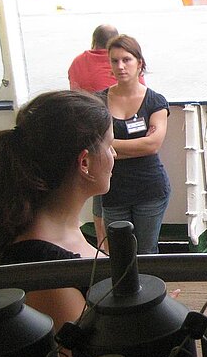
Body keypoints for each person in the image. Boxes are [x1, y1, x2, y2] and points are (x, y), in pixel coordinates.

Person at [0, 90, 114, 337]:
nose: (114, 156)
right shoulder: (45, 270)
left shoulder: (62, 230)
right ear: (84, 163)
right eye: (110, 146)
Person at [100, 34, 171, 255]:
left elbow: (152, 146)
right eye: (115, 61)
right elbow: (95, 148)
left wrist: (111, 146)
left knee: (147, 252)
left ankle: (154, 290)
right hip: (113, 191)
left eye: (126, 59)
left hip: (149, 188)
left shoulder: (155, 101)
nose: (120, 66)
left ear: (139, 63)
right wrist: (135, 146)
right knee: (120, 253)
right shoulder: (98, 102)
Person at [68, 24, 126, 250]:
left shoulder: (78, 63)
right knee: (106, 191)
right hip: (108, 137)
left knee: (98, 195)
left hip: (87, 139)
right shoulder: (123, 61)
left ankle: (102, 248)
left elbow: (73, 98)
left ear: (93, 42)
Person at [68, 24, 120, 92]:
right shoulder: (121, 61)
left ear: (94, 41)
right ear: (118, 42)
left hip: (80, 101)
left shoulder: (77, 61)